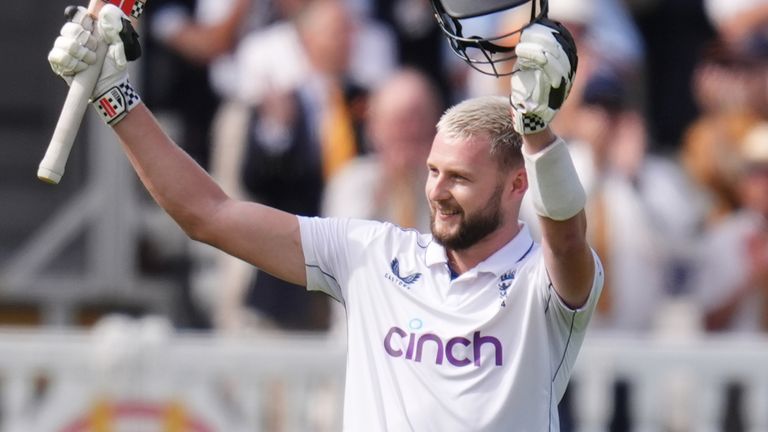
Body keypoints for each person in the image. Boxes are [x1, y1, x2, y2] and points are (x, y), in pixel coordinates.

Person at [47, 5, 602, 429]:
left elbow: (568, 236)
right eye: (433, 171)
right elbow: (208, 214)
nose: (437, 191)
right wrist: (113, 96)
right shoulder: (376, 256)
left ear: (516, 185)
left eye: (459, 178)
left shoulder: (542, 282)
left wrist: (537, 133)